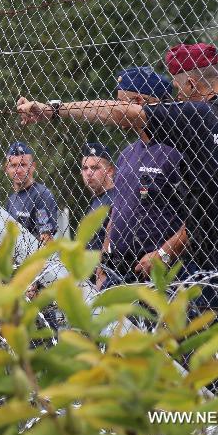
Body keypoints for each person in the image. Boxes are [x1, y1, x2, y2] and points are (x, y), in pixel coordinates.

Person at [16, 43, 218, 407]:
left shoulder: (196, 116)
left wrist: (54, 109)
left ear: (194, 85)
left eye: (178, 88)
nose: (175, 95)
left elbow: (122, 114)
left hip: (216, 257)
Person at [94, 68, 188, 289]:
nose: (114, 110)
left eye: (119, 103)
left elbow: (197, 217)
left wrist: (164, 254)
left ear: (136, 102)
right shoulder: (127, 154)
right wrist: (103, 259)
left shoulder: (175, 151)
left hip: (157, 271)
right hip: (117, 269)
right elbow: (117, 208)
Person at [4, 142, 58, 245]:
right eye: (13, 165)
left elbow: (46, 238)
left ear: (33, 166)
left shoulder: (41, 196)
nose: (18, 170)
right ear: (7, 169)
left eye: (23, 165)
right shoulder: (11, 200)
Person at [79, 142, 116, 253]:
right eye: (85, 168)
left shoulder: (117, 197)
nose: (88, 173)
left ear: (109, 171)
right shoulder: (95, 200)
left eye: (94, 168)